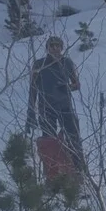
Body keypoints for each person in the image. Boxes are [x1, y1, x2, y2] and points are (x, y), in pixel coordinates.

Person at [27, 35, 85, 172]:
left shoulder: (67, 63)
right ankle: (52, 174)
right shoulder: (39, 64)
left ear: (61, 47)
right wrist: (30, 112)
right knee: (49, 142)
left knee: (73, 138)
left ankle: (78, 171)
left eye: (57, 45)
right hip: (46, 108)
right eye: (51, 46)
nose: (55, 48)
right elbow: (33, 89)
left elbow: (77, 84)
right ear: (47, 48)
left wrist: (68, 87)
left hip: (65, 106)